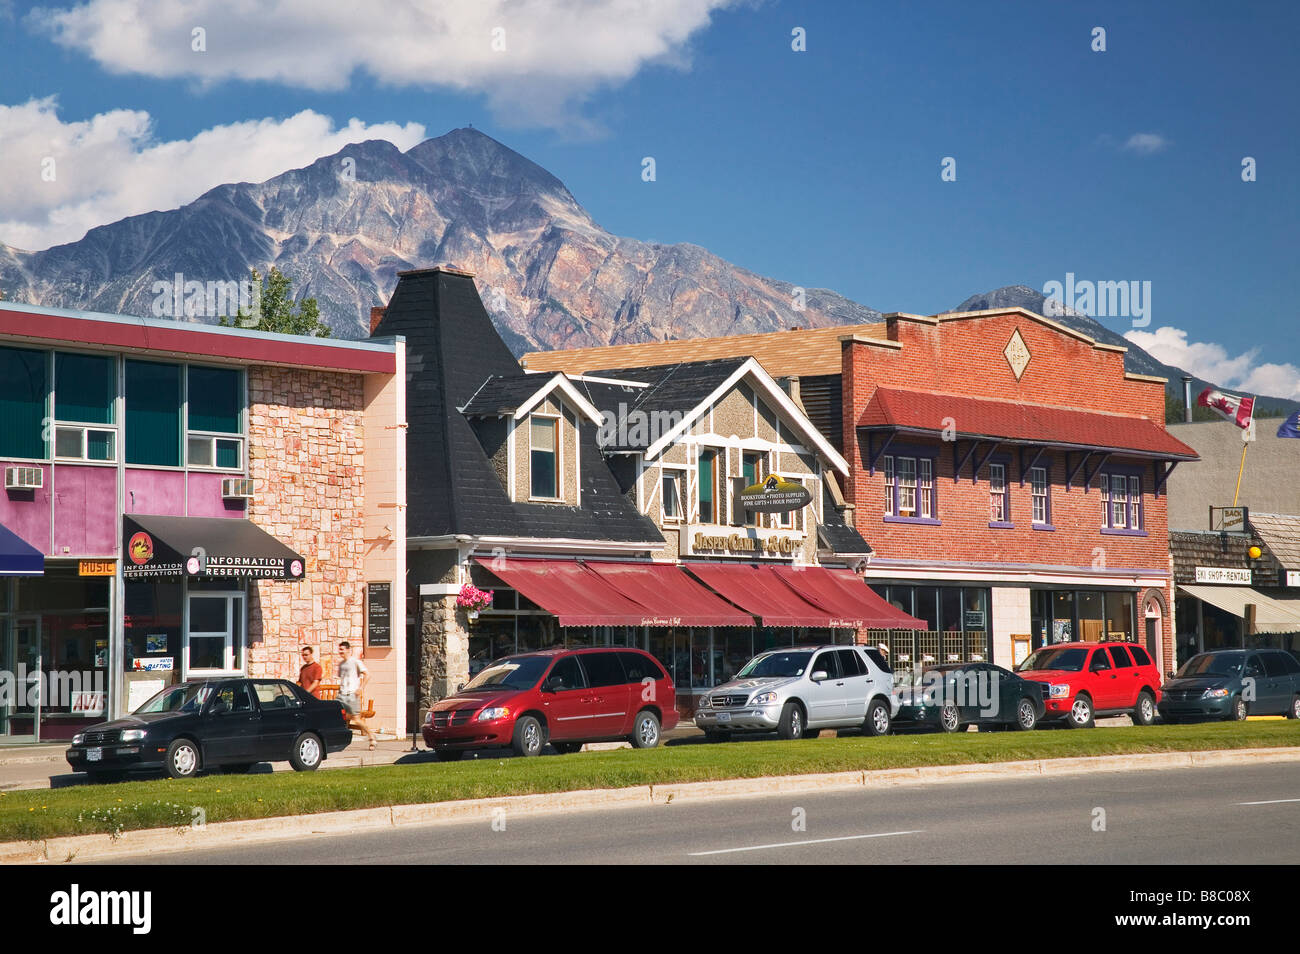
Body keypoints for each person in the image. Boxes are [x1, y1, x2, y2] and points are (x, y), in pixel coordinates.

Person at [337, 641, 376, 750]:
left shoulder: (355, 662)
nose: (340, 652)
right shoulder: (341, 664)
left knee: (357, 719)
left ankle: (371, 737)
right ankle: (337, 741)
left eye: (342, 649)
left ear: (348, 650)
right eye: (339, 649)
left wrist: (361, 688)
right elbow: (343, 679)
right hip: (342, 695)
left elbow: (368, 674)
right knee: (336, 715)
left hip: (352, 695)